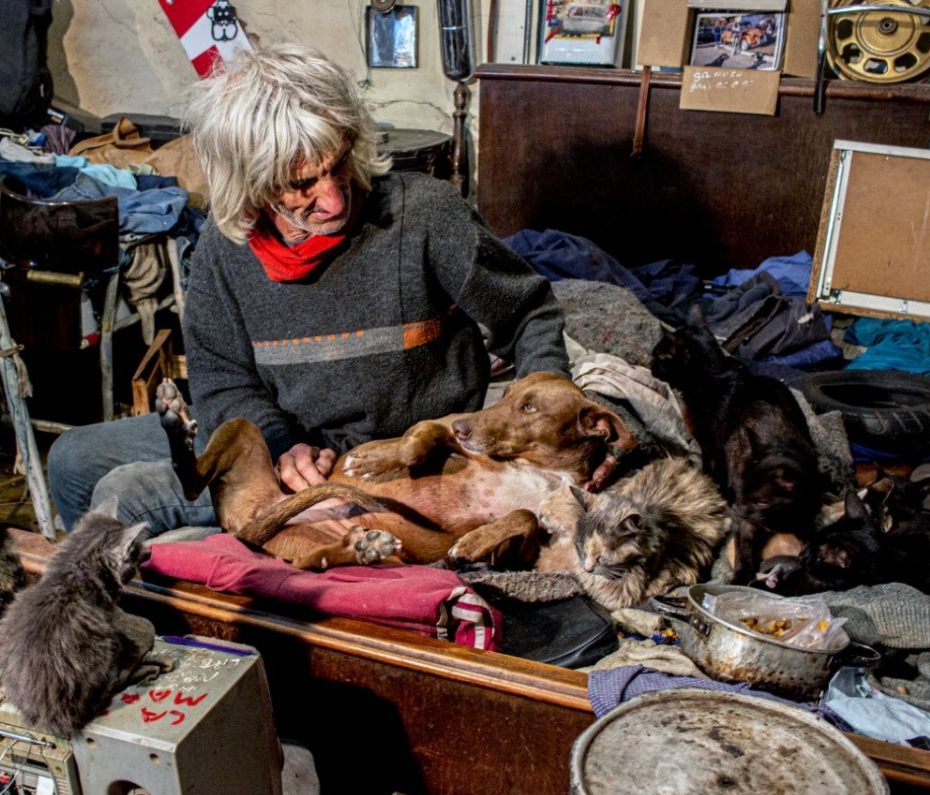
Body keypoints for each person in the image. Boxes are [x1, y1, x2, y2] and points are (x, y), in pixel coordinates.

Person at [47, 43, 571, 534]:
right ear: (250, 183)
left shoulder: (425, 214)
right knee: (72, 458)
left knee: (127, 495)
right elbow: (224, 379)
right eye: (301, 185)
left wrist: (548, 426)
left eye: (337, 165)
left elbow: (529, 313)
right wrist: (279, 445)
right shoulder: (224, 249)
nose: (335, 199)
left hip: (387, 453)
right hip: (285, 439)